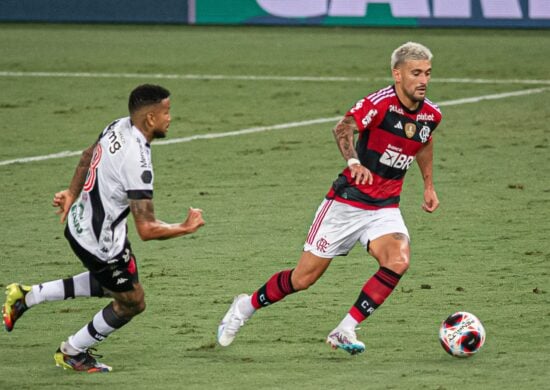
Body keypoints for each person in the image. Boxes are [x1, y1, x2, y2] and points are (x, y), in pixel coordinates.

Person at [217, 42, 442, 355]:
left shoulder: (431, 114)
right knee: (303, 278)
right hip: (346, 203)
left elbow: (424, 142)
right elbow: (343, 127)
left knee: (398, 260)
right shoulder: (379, 104)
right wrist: (354, 162)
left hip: (384, 207)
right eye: (416, 73)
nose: (423, 81)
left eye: (428, 74)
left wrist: (428, 185)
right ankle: (245, 306)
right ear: (397, 74)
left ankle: (346, 328)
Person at [2, 84, 205, 372]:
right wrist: (185, 227)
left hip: (89, 227)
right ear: (149, 119)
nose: (170, 118)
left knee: (118, 286)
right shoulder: (138, 163)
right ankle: (72, 351)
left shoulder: (117, 125)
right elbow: (147, 229)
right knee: (132, 302)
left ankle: (27, 296)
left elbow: (87, 155)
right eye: (166, 112)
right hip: (100, 243)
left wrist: (72, 194)